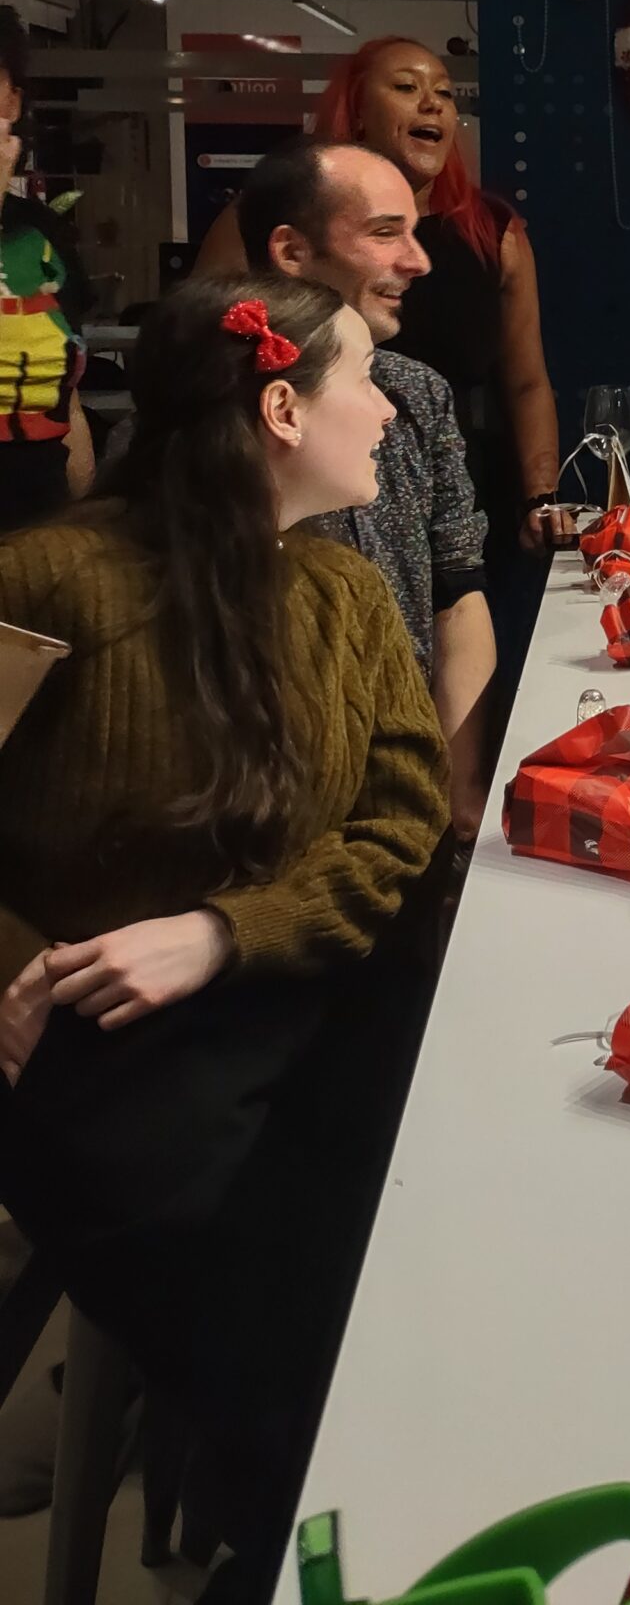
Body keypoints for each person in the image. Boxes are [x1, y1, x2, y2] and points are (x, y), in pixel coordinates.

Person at [0, 274, 448, 1598]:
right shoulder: (50, 582)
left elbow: (401, 828)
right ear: (280, 408)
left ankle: (296, 1510)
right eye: (361, 378)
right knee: (313, 1342)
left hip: (304, 1015)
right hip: (111, 1063)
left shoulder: (345, 596)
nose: (387, 409)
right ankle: (303, 1541)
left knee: (426, 1255)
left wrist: (220, 932)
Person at [197, 35, 568, 667]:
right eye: (406, 87)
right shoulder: (265, 220)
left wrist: (539, 496)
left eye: (446, 92)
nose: (433, 103)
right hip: (296, 479)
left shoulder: (488, 242)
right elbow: (211, 346)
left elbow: (528, 380)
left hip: (454, 489)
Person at [237, 138, 497, 842]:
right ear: (292, 251)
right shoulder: (197, 412)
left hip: (404, 802)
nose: (419, 261)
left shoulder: (416, 392)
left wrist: (455, 791)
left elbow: (458, 587)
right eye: (386, 233)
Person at [0, 6, 93, 532]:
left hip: (39, 524)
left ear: (13, 101)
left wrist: (84, 526)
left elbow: (66, 398)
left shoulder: (39, 230)